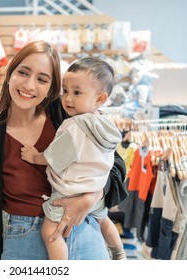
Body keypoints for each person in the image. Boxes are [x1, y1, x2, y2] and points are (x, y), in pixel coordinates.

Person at [0, 41, 126, 260]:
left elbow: (114, 165)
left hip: (85, 232)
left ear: (51, 87)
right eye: (23, 72)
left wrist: (91, 197)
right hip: (25, 244)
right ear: (10, 73)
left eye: (42, 79)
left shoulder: (68, 115)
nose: (29, 85)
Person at [21, 57, 126, 260]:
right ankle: (119, 253)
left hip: (70, 190)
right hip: (96, 189)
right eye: (65, 91)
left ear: (100, 99)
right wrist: (94, 194)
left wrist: (34, 156)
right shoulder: (105, 124)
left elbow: (55, 157)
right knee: (104, 220)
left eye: (77, 93)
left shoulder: (74, 125)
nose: (68, 99)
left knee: (50, 232)